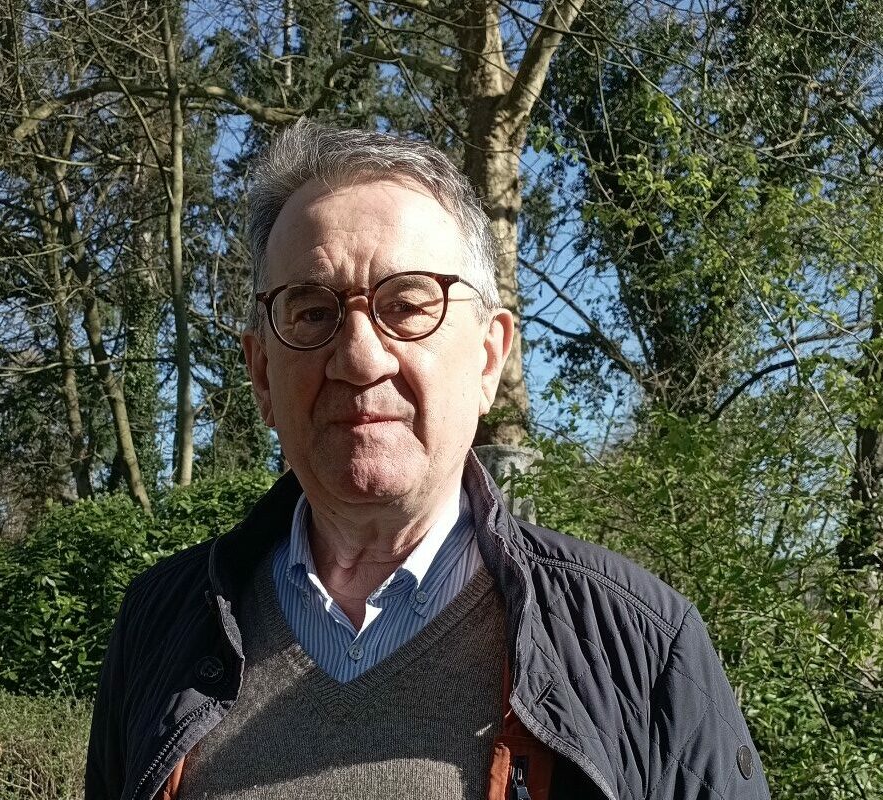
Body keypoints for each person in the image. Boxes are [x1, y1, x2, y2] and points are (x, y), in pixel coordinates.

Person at [85, 121, 770, 800]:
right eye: (312, 312)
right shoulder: (159, 626)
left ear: (488, 358)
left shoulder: (641, 645)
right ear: (262, 374)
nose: (360, 359)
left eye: (408, 305)